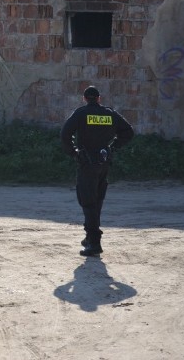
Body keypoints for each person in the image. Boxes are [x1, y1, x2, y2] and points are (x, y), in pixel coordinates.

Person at [60, 86, 134, 257]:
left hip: (87, 164)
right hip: (103, 163)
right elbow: (128, 132)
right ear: (99, 98)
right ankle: (89, 237)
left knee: (87, 201)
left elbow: (65, 135)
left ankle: (94, 243)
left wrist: (74, 153)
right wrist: (113, 147)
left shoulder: (81, 113)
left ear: (85, 98)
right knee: (97, 201)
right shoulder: (110, 114)